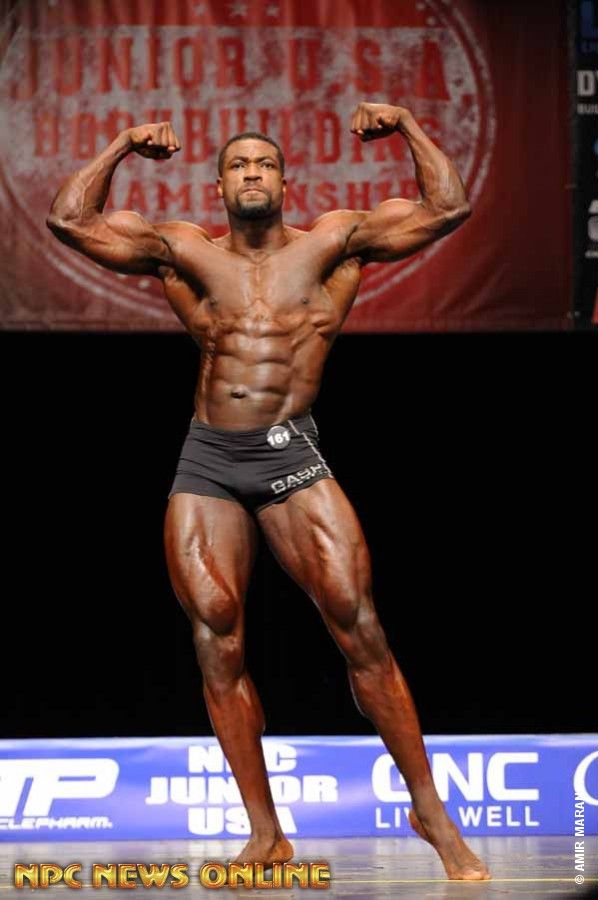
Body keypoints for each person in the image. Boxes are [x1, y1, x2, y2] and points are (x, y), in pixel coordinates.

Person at [47, 103, 490, 881]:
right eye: (238, 165)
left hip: (291, 455)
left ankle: (429, 810)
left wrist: (407, 124)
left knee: (358, 625)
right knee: (216, 634)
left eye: (265, 164)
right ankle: (265, 834)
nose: (252, 173)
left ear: (286, 183)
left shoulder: (333, 243)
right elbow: (69, 222)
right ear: (218, 187)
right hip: (209, 461)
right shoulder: (184, 250)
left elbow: (447, 208)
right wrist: (120, 144)